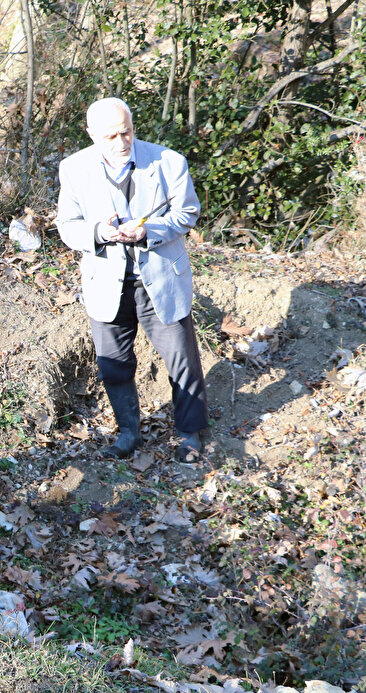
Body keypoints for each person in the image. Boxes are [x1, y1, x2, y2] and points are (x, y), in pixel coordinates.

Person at [55, 97, 208, 460]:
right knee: (114, 365)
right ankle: (128, 433)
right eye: (110, 136)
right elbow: (67, 226)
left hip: (160, 278)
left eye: (127, 132)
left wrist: (148, 230)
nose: (122, 142)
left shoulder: (169, 161)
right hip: (106, 282)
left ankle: (190, 433)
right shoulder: (73, 168)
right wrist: (99, 232)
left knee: (181, 360)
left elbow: (187, 212)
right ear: (91, 135)